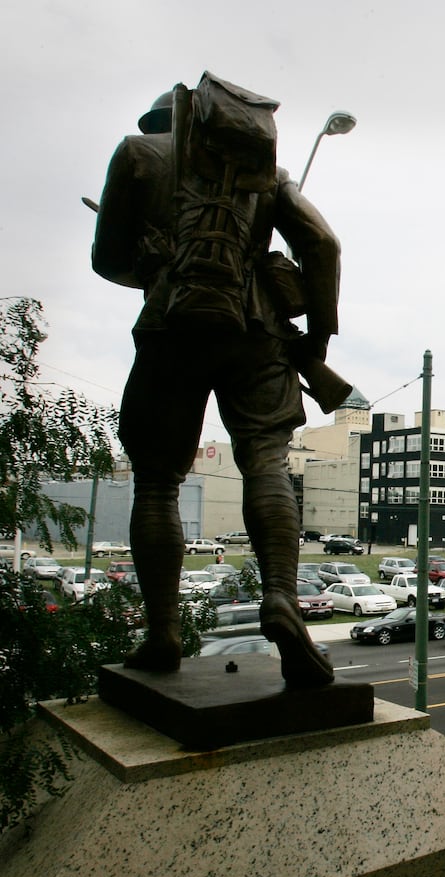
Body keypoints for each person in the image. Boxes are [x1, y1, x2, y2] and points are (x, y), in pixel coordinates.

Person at [92, 76, 341, 687]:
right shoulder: (264, 169)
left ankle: (163, 635)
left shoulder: (136, 154)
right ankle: (281, 598)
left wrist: (156, 264)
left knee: (156, 484)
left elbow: (107, 260)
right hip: (258, 332)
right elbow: (325, 245)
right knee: (267, 463)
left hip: (170, 328)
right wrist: (316, 339)